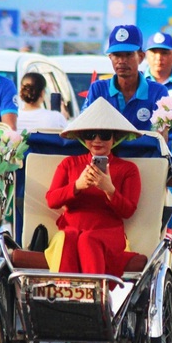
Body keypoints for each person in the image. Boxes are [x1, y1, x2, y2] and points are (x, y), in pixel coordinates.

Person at [46, 99, 146, 276]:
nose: (97, 140)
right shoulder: (69, 164)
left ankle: (94, 295)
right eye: (91, 135)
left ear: (115, 138)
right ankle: (64, 293)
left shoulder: (128, 169)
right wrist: (77, 186)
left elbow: (128, 211)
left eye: (105, 135)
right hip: (71, 230)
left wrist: (110, 190)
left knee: (87, 239)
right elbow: (52, 200)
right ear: (83, 138)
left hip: (108, 233)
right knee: (68, 239)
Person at [83, 24, 169, 130]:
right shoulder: (98, 89)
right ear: (110, 57)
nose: (122, 61)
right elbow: (84, 128)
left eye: (128, 54)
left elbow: (163, 136)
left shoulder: (158, 92)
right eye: (117, 55)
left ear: (141, 57)